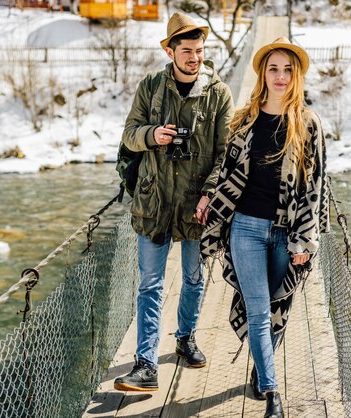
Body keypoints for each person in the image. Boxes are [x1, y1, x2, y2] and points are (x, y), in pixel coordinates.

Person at [199, 37, 329, 418]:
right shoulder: (244, 121)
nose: (281, 76)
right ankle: (273, 394)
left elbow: (315, 188)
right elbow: (223, 171)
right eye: (273, 68)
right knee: (258, 311)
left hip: (287, 233)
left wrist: (305, 238)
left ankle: (262, 366)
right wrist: (209, 196)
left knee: (277, 308)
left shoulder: (307, 124)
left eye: (288, 69)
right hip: (245, 228)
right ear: (262, 73)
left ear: (297, 75)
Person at [113, 12, 234, 392]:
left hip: (197, 203)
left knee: (194, 279)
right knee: (150, 284)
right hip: (154, 202)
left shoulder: (219, 93)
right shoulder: (150, 86)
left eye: (199, 51)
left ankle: (185, 337)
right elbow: (130, 135)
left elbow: (225, 152)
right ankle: (146, 363)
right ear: (169, 51)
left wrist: (209, 193)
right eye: (186, 51)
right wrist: (154, 135)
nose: (194, 58)